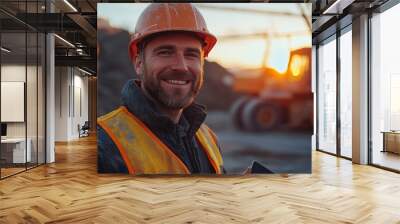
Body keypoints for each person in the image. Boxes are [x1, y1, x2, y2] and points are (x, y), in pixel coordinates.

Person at [97, 3, 225, 174]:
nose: (181, 66)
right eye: (165, 52)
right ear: (139, 63)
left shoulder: (208, 137)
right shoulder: (104, 145)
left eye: (191, 54)